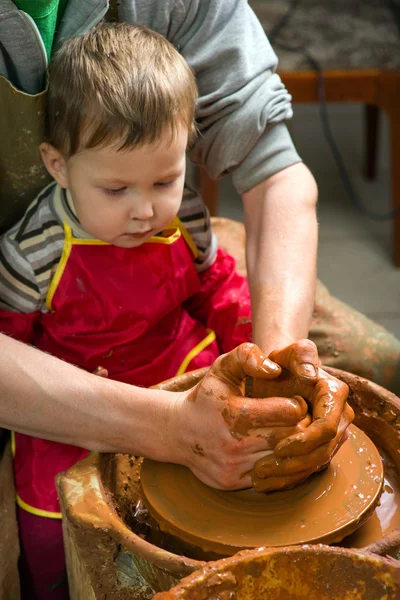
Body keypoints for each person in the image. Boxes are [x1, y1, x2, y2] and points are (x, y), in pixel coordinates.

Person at [0, 23, 353, 599]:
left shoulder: (182, 215)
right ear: (57, 164)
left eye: (165, 179)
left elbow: (217, 286)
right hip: (74, 390)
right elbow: (11, 344)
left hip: (183, 365)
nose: (146, 211)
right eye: (116, 190)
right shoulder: (32, 253)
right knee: (54, 528)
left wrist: (268, 363)